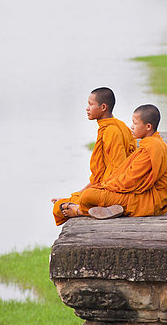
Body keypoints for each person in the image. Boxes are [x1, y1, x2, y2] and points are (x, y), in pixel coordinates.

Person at [60, 104, 167, 219]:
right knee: (93, 193)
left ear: (148, 127)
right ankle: (110, 209)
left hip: (150, 202)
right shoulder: (151, 143)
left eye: (135, 124)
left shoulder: (153, 146)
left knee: (88, 196)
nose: (131, 127)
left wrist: (104, 186)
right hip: (146, 198)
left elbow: (130, 180)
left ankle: (79, 210)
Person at [52, 87, 136, 226]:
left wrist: (88, 195)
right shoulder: (113, 126)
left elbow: (118, 171)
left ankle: (80, 209)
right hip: (105, 185)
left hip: (115, 189)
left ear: (103, 107)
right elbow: (101, 174)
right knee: (67, 202)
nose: (87, 108)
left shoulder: (111, 131)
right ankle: (77, 202)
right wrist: (75, 195)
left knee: (61, 207)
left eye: (91, 104)